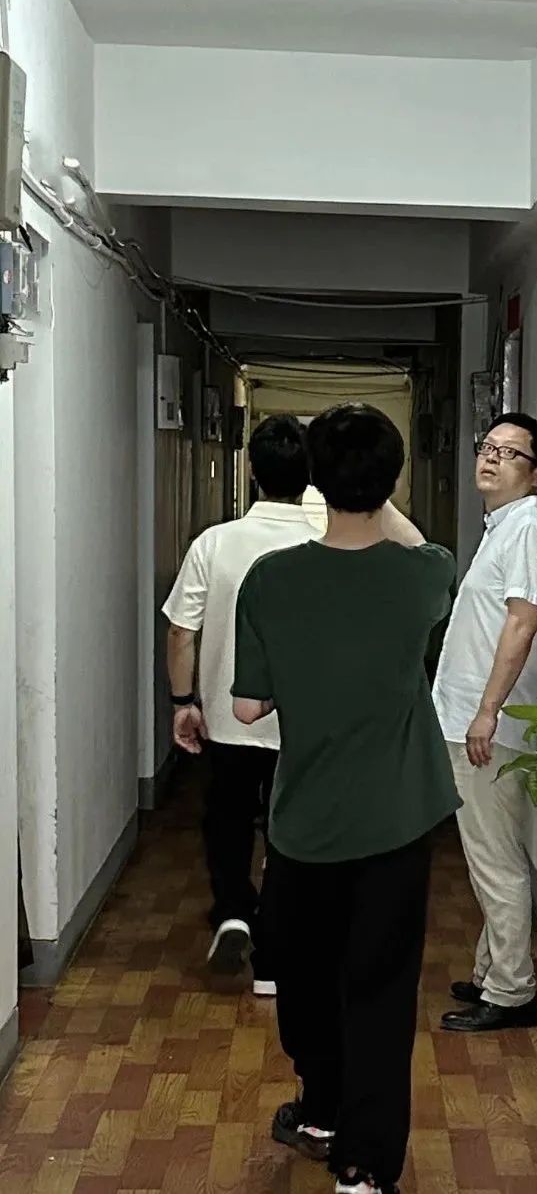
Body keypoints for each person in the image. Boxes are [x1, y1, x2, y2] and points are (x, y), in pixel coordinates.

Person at [232, 404, 459, 1194]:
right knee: (380, 992)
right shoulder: (422, 575)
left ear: (312, 482)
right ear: (392, 480)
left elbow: (248, 707)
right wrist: (376, 499)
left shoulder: (270, 579)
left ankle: (322, 1109)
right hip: (397, 820)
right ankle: (362, 1166)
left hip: (305, 821)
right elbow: (420, 547)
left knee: (305, 979)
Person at [163, 414, 316, 993]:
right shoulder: (326, 542)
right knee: (289, 831)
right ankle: (274, 958)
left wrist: (184, 701)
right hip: (302, 722)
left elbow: (182, 631)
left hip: (228, 719)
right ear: (309, 475)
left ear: (252, 471)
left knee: (226, 817)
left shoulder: (215, 543)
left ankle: (233, 909)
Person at [433, 412, 537, 1033]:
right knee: (489, 854)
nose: (490, 458)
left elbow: (521, 623)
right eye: (488, 446)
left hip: (492, 724)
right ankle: (493, 972)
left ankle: (512, 992)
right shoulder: (504, 528)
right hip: (477, 717)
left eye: (510, 453)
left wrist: (488, 711)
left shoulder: (529, 529)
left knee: (495, 860)